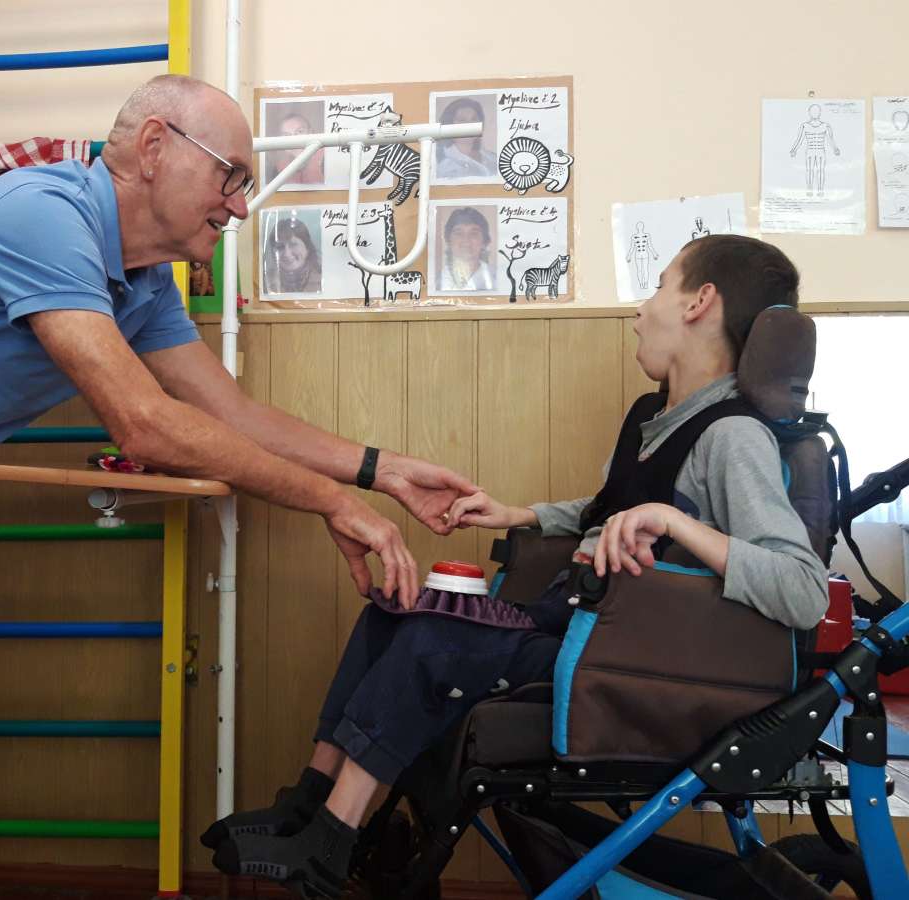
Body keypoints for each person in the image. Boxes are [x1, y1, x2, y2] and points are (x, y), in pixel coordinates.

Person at [0, 74, 476, 898]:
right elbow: (144, 424)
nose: (241, 207)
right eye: (232, 177)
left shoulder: (141, 286)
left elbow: (232, 415)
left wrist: (379, 470)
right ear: (154, 148)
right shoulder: (43, 218)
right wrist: (330, 502)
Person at [203, 234, 829, 899]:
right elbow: (609, 510)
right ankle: (312, 802)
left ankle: (330, 842)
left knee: (433, 638)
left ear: (701, 302)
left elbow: (801, 589)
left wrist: (678, 525)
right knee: (393, 612)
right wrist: (517, 514)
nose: (638, 311)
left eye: (658, 287)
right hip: (580, 632)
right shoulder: (656, 416)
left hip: (616, 661)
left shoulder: (733, 436)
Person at [435, 96, 497, 179]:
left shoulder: (493, 158)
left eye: (474, 119)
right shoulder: (441, 166)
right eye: (461, 120)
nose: (470, 124)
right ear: (448, 125)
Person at [438, 206, 496, 291]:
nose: (466, 240)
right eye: (458, 233)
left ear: (484, 242)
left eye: (474, 234)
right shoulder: (435, 282)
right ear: (448, 240)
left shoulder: (499, 279)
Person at [265, 215, 323, 293]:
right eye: (280, 247)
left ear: (307, 248)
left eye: (293, 244)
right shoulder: (265, 282)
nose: (287, 254)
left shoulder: (324, 280)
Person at [268, 110, 326, 185]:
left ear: (311, 132)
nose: (294, 140)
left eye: (300, 132)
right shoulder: (278, 169)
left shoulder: (325, 158)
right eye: (287, 135)